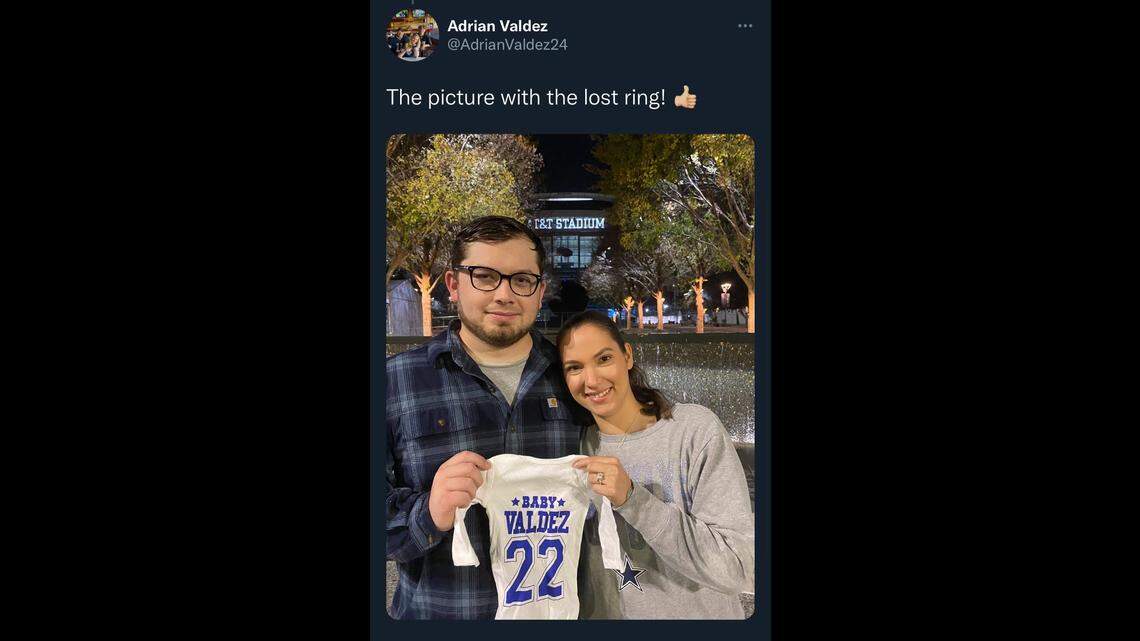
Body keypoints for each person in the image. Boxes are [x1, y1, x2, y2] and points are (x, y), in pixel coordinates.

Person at [386, 216, 587, 619]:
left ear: (539, 291)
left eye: (522, 280)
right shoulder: (393, 381)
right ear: (453, 284)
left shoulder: (578, 381)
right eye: (484, 276)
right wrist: (429, 512)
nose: (504, 294)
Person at [557, 311, 754, 619]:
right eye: (575, 367)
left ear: (627, 356)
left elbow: (739, 566)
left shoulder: (694, 431)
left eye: (604, 359)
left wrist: (633, 500)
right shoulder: (576, 449)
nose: (592, 380)